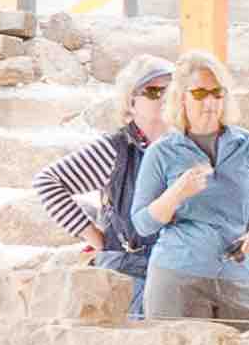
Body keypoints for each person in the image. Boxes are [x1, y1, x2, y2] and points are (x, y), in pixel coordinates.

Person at [127, 63, 249, 324]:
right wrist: (176, 193)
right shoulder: (161, 152)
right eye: (199, 93)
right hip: (177, 276)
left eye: (217, 93)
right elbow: (142, 224)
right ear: (181, 98)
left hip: (238, 274)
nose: (209, 102)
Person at [35, 54, 177, 285]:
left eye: (172, 91)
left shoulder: (187, 146)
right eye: (153, 92)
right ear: (130, 103)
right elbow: (47, 182)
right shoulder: (115, 149)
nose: (164, 98)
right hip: (131, 271)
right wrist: (99, 240)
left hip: (180, 269)